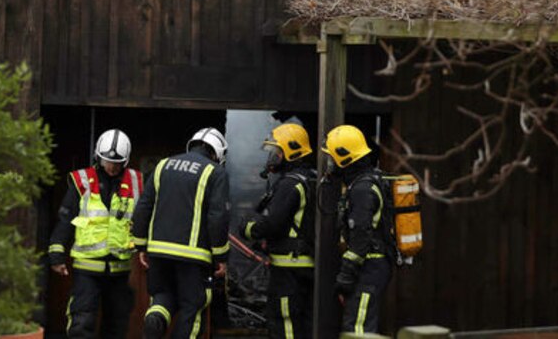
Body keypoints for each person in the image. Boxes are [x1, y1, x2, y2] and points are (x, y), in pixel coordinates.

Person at [133, 127, 231, 339]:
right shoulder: (215, 172)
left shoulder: (162, 166)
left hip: (158, 253)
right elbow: (218, 217)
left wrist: (141, 245)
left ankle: (155, 320)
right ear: (217, 153)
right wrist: (221, 257)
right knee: (192, 309)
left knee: (161, 297)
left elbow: (143, 207)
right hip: (194, 258)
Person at [48, 129, 143, 339]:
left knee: (117, 324)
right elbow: (66, 218)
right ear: (98, 157)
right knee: (82, 321)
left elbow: (146, 219)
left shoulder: (137, 182)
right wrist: (56, 253)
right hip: (87, 270)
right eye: (107, 161)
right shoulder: (82, 181)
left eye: (117, 163)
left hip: (120, 270)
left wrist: (146, 248)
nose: (112, 166)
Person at [240, 122, 317, 339]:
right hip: (306, 265)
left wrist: (248, 228)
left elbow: (273, 224)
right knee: (304, 321)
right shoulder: (311, 178)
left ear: (291, 151)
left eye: (278, 151)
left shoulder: (290, 184)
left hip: (288, 269)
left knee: (285, 320)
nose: (273, 156)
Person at [323, 124, 395, 335]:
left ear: (344, 158)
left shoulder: (362, 190)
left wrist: (345, 279)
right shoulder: (362, 182)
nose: (330, 163)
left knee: (358, 328)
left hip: (370, 267)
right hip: (370, 266)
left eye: (332, 158)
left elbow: (359, 241)